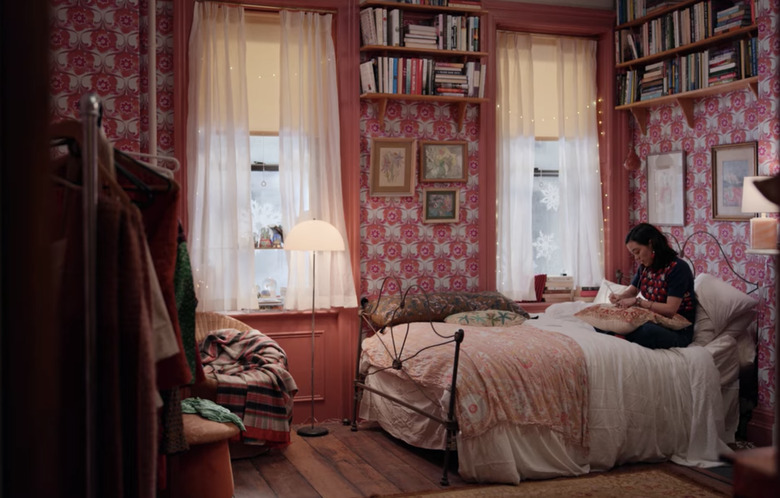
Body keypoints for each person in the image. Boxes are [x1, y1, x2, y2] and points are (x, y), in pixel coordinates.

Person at [607, 223, 696, 349]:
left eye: (637, 252)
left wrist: (638, 302)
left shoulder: (678, 268)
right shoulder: (645, 267)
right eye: (633, 254)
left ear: (651, 244)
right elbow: (632, 292)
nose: (636, 258)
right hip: (655, 320)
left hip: (677, 329)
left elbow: (670, 309)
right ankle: (619, 335)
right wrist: (620, 297)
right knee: (605, 321)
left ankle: (618, 336)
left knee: (647, 331)